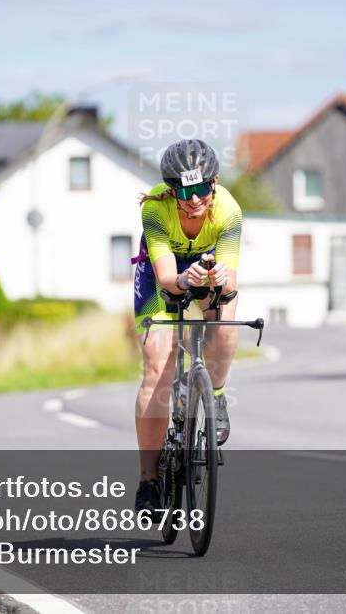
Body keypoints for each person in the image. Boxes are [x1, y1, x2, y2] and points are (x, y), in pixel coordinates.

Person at [132, 139, 243, 512]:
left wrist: (217, 280)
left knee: (225, 329)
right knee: (156, 369)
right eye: (184, 191)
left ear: (214, 182)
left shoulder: (228, 211)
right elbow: (166, 279)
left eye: (201, 189)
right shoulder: (155, 209)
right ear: (170, 190)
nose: (194, 199)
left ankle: (217, 393)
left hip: (209, 271)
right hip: (161, 277)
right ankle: (149, 480)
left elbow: (230, 283)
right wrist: (185, 280)